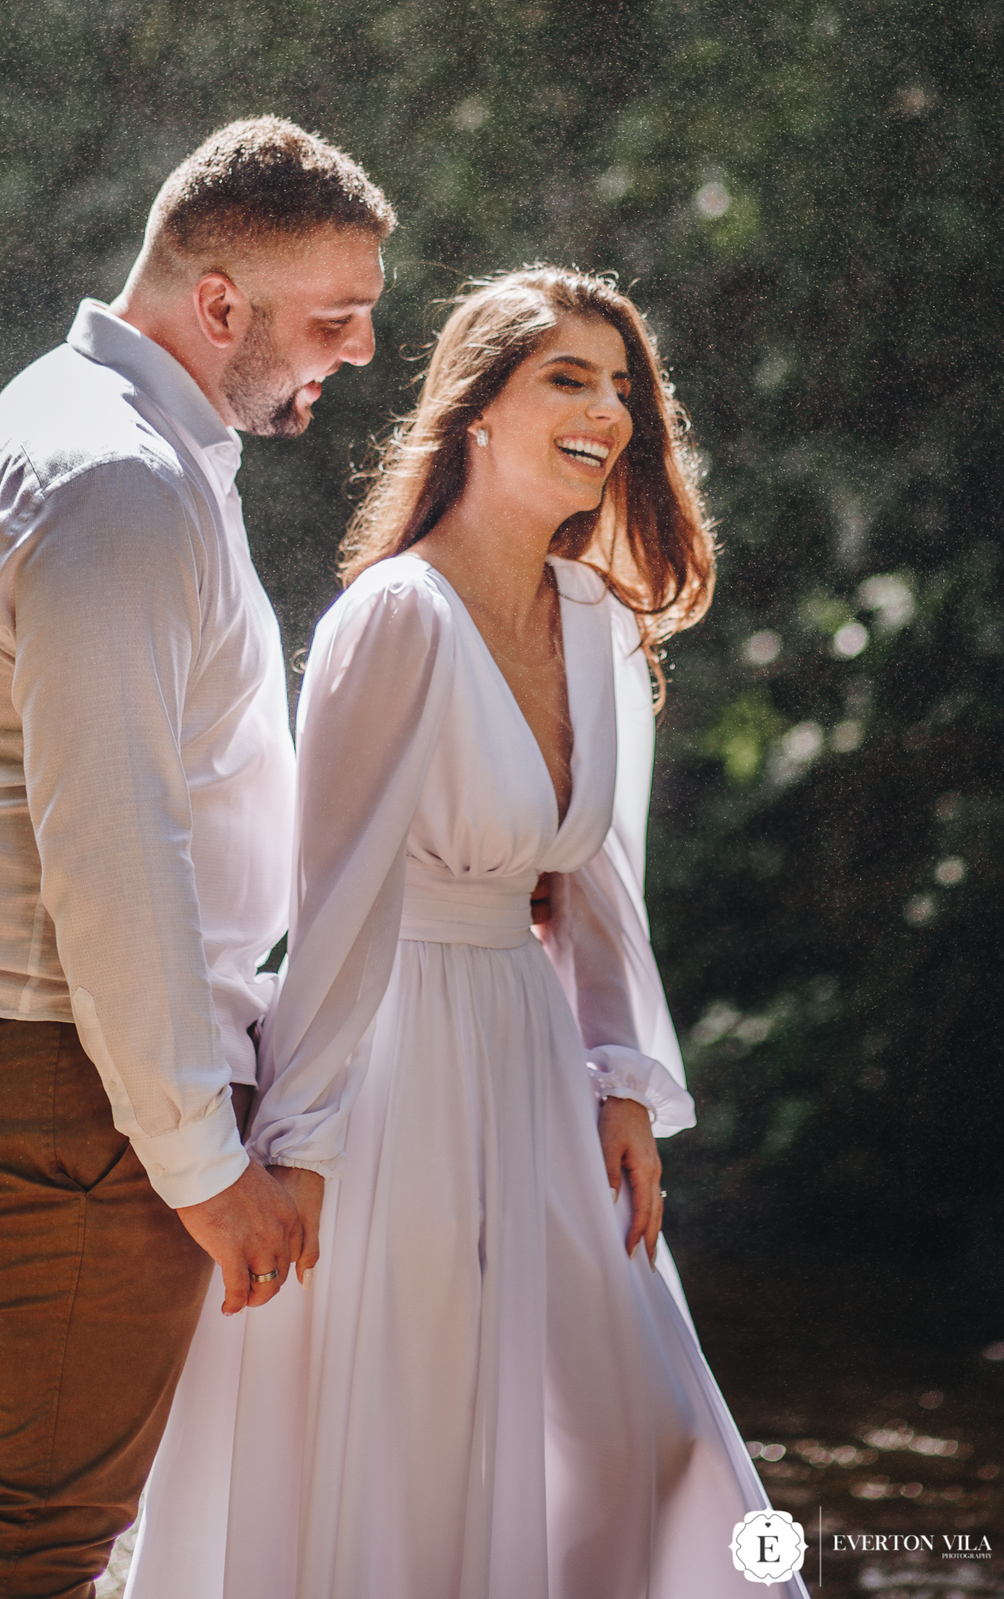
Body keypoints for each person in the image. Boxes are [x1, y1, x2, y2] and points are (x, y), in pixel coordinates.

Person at [126, 265, 810, 1599]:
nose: (608, 411)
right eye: (570, 378)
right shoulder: (397, 615)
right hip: (390, 1063)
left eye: (624, 389)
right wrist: (301, 1147)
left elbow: (608, 881)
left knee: (651, 1438)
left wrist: (620, 1078)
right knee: (411, 1438)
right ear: (475, 412)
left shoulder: (603, 620)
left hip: (537, 1054)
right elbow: (337, 909)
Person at [0, 116, 395, 1597]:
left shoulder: (107, 434)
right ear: (218, 302)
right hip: (59, 1065)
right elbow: (114, 843)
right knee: (35, 1544)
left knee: (48, 1529)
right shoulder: (114, 479)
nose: (353, 355)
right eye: (332, 321)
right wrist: (202, 1161)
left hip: (43, 1053)